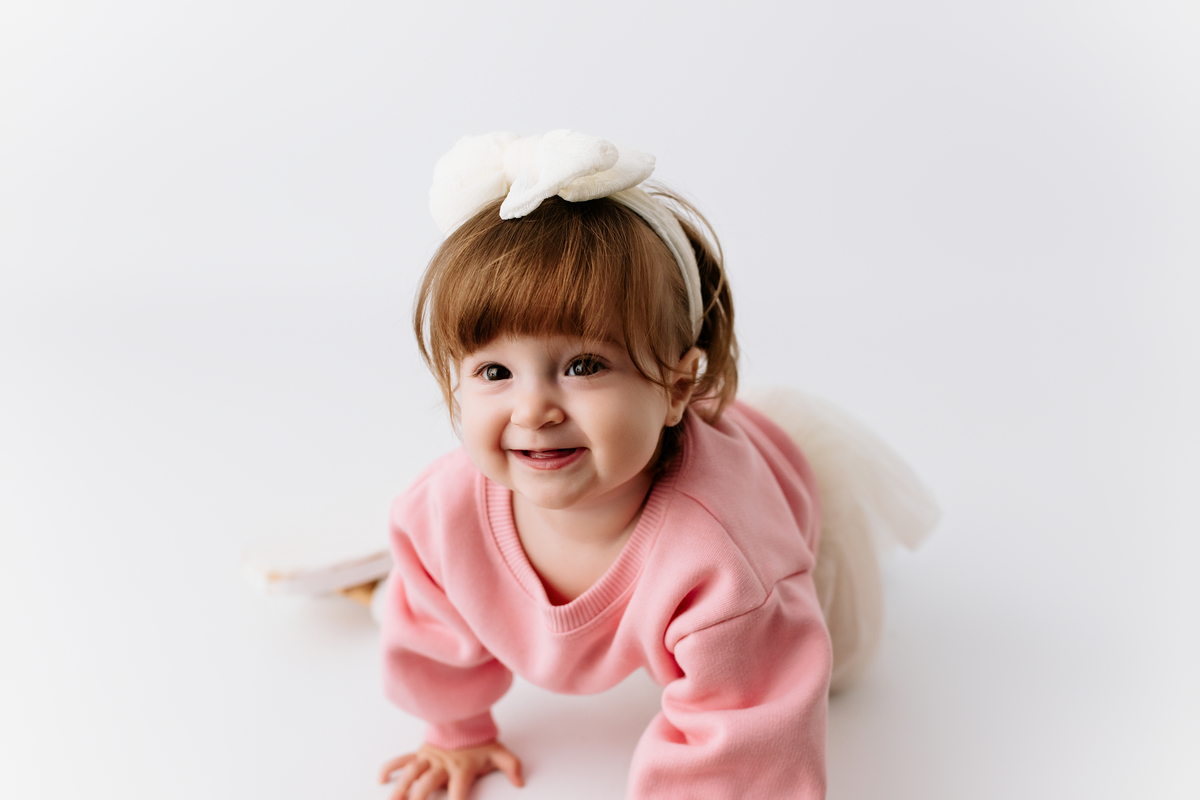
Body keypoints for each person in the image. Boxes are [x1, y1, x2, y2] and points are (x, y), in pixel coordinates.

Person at [365, 130, 938, 800]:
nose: (533, 410)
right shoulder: (440, 517)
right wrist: (454, 730)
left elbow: (745, 730)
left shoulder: (726, 561)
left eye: (584, 365)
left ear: (677, 387)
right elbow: (431, 627)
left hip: (774, 526)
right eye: (495, 371)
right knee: (422, 580)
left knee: (834, 668)